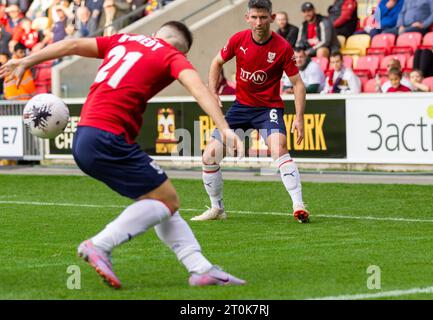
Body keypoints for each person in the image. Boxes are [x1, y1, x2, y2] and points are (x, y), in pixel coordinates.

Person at [0, 21, 246, 289]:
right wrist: (224, 128)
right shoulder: (171, 56)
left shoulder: (123, 39)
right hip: (108, 137)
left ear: (155, 34)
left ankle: (201, 269)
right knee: (167, 200)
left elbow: (71, 44)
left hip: (85, 136)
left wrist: (27, 60)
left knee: (161, 201)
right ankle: (100, 245)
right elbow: (198, 89)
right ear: (184, 53)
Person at [191, 0, 310, 224]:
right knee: (209, 156)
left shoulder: (282, 47)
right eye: (254, 17)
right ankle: (217, 208)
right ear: (247, 18)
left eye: (263, 17)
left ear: (272, 19)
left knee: (279, 148)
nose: (258, 22)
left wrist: (299, 118)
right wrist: (213, 91)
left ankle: (299, 205)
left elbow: (298, 84)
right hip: (240, 108)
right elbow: (216, 63)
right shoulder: (238, 40)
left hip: (268, 109)